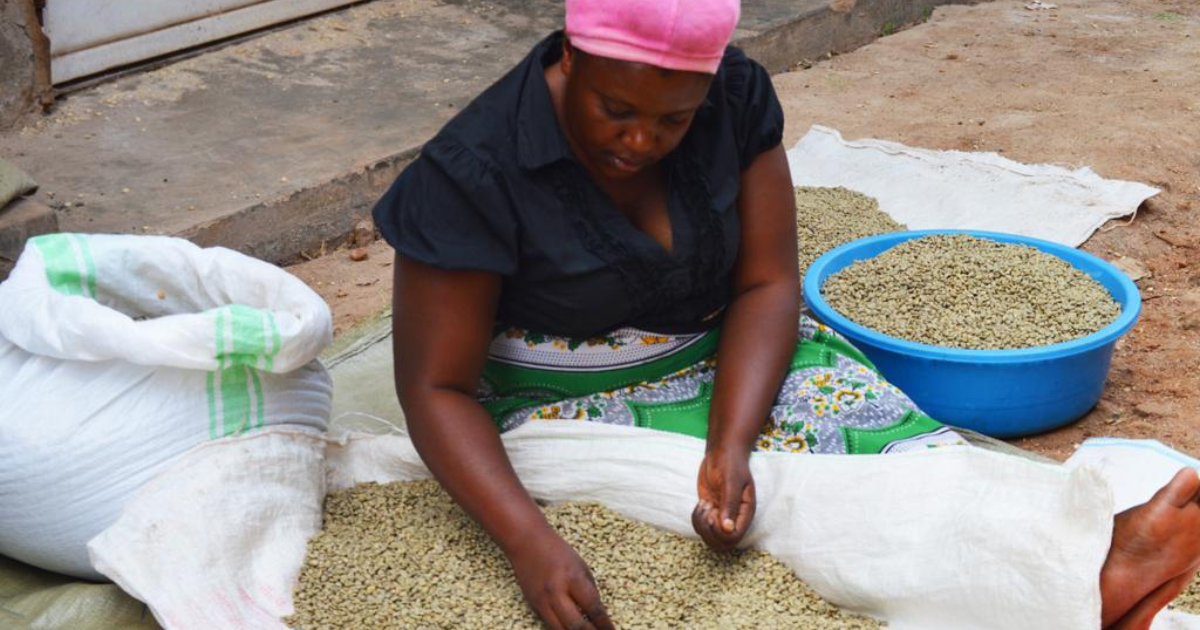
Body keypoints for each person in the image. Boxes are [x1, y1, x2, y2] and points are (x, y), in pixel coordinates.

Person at [372, 1, 1200, 628]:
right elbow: (437, 390)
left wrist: (731, 441)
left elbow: (767, 284)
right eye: (615, 111)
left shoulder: (734, 95)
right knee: (803, 509)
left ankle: (1076, 554)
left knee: (898, 447)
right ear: (569, 56)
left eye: (672, 120)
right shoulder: (472, 170)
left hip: (738, 353)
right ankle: (1075, 579)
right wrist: (528, 543)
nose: (640, 142)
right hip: (559, 404)